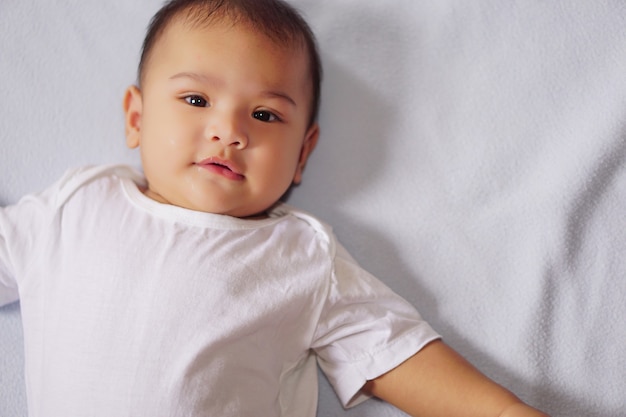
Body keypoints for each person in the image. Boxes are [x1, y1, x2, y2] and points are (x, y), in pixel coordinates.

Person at [0, 0, 549, 416]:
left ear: (302, 154)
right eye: (196, 101)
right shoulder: (71, 207)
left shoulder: (299, 257)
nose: (229, 131)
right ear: (137, 118)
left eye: (265, 115)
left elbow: (396, 353)